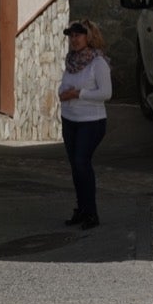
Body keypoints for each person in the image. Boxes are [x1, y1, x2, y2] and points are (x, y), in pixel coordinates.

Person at [57, 19, 112, 231]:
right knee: (75, 167)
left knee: (82, 162)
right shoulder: (71, 60)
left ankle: (91, 213)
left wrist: (78, 94)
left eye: (78, 35)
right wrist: (63, 92)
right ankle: (81, 209)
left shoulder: (98, 63)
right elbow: (64, 85)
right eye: (71, 35)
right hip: (69, 119)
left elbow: (106, 93)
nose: (74, 39)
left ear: (89, 37)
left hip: (91, 122)